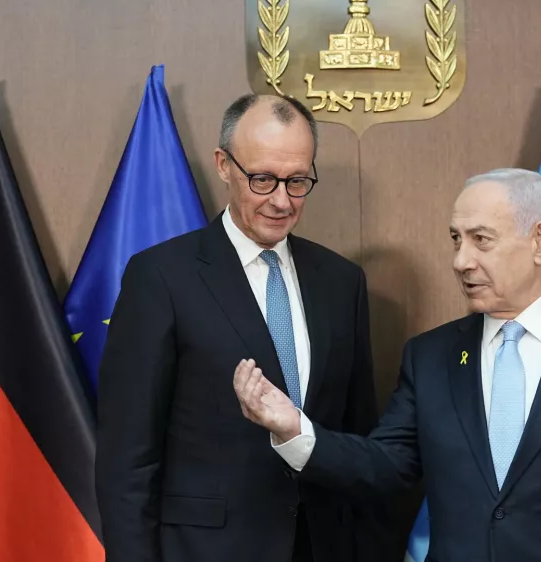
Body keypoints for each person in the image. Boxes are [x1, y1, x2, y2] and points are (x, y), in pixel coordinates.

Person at [233, 168, 541, 562]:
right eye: (456, 239)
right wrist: (295, 430)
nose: (460, 260)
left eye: (481, 240)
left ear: (540, 241)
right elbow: (386, 467)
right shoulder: (429, 357)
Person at [96, 94, 392, 562]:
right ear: (224, 165)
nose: (281, 200)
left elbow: (358, 436)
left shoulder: (341, 281)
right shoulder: (161, 276)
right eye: (262, 179)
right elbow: (128, 457)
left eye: (297, 181)